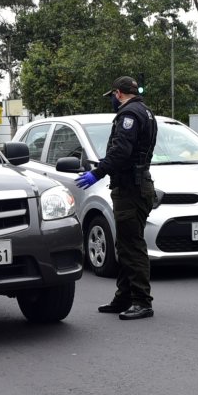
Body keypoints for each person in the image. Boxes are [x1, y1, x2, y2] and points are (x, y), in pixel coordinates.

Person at [75, 76, 158, 321]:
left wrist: (97, 173)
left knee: (132, 246)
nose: (113, 100)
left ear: (118, 93)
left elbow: (121, 151)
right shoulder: (146, 112)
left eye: (113, 95)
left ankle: (142, 301)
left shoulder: (128, 115)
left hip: (130, 189)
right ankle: (124, 296)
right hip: (139, 185)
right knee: (124, 243)